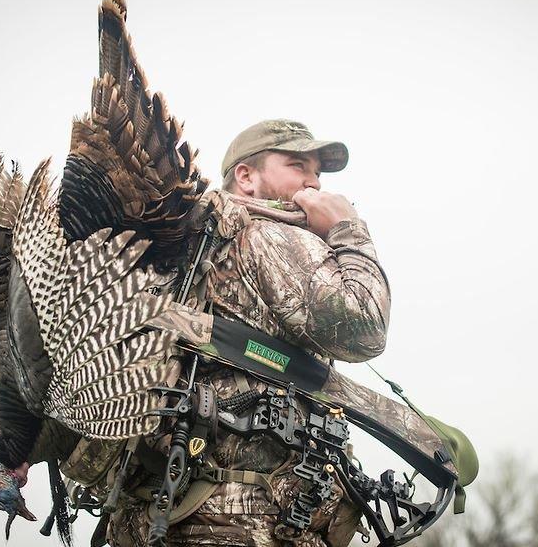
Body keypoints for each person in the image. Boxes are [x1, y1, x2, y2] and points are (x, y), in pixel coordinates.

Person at [105, 119, 391, 547]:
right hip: (243, 524)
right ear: (247, 177)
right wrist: (346, 229)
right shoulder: (266, 236)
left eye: (319, 172)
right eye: (298, 165)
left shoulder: (178, 251)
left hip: (158, 516)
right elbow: (363, 325)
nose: (314, 181)